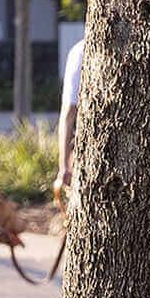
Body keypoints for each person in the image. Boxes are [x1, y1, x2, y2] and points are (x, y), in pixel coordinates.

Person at [54, 32, 85, 203]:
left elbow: (69, 112)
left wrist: (64, 165)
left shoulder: (80, 51)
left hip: (84, 150)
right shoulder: (80, 51)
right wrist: (64, 164)